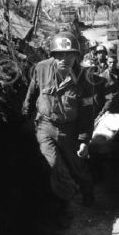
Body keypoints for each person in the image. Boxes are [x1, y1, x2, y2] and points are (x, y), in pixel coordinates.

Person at [22, 31, 95, 223]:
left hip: (70, 128)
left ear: (76, 56)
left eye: (69, 54)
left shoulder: (85, 78)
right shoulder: (41, 68)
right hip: (45, 124)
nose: (64, 59)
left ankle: (87, 190)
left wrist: (84, 140)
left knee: (77, 164)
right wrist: (26, 114)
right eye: (59, 55)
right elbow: (32, 91)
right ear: (53, 55)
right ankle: (65, 201)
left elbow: (87, 112)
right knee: (53, 164)